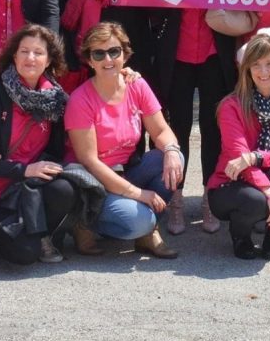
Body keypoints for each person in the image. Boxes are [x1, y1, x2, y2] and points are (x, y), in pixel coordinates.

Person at [151, 0, 243, 233]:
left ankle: (209, 198)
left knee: (213, 129)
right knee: (174, 130)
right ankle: (174, 200)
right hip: (176, 56)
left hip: (215, 57)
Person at [64, 23, 184, 259]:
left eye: (114, 51)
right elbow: (89, 162)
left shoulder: (136, 85)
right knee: (140, 220)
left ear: (124, 54)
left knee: (175, 157)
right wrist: (138, 194)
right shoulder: (80, 99)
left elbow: (161, 131)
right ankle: (85, 222)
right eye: (99, 53)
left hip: (126, 171)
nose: (107, 59)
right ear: (89, 60)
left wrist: (170, 149)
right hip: (94, 183)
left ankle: (144, 230)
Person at [0, 25, 75, 265]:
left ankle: (43, 235)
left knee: (64, 189)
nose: (30, 58)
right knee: (24, 256)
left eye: (38, 52)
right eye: (24, 51)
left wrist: (125, 75)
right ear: (14, 56)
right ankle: (10, 236)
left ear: (49, 59)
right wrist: (22, 170)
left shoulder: (56, 100)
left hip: (33, 189)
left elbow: (60, 147)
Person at [207, 35, 270, 259]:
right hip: (230, 182)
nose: (264, 71)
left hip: (260, 170)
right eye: (256, 65)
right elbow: (238, 157)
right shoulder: (231, 106)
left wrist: (255, 157)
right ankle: (240, 235)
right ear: (247, 70)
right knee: (255, 200)